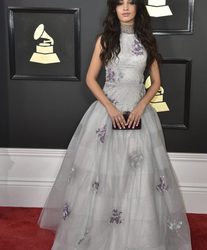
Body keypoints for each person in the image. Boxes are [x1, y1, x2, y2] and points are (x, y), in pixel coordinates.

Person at [38, 0, 192, 249]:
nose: (126, 7)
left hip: (138, 115)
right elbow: (90, 78)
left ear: (138, 7)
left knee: (138, 176)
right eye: (120, 3)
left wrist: (142, 105)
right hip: (107, 114)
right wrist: (110, 107)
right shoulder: (105, 40)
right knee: (104, 175)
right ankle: (99, 231)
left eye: (131, 2)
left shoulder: (148, 41)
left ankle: (140, 236)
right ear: (114, 9)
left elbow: (155, 82)